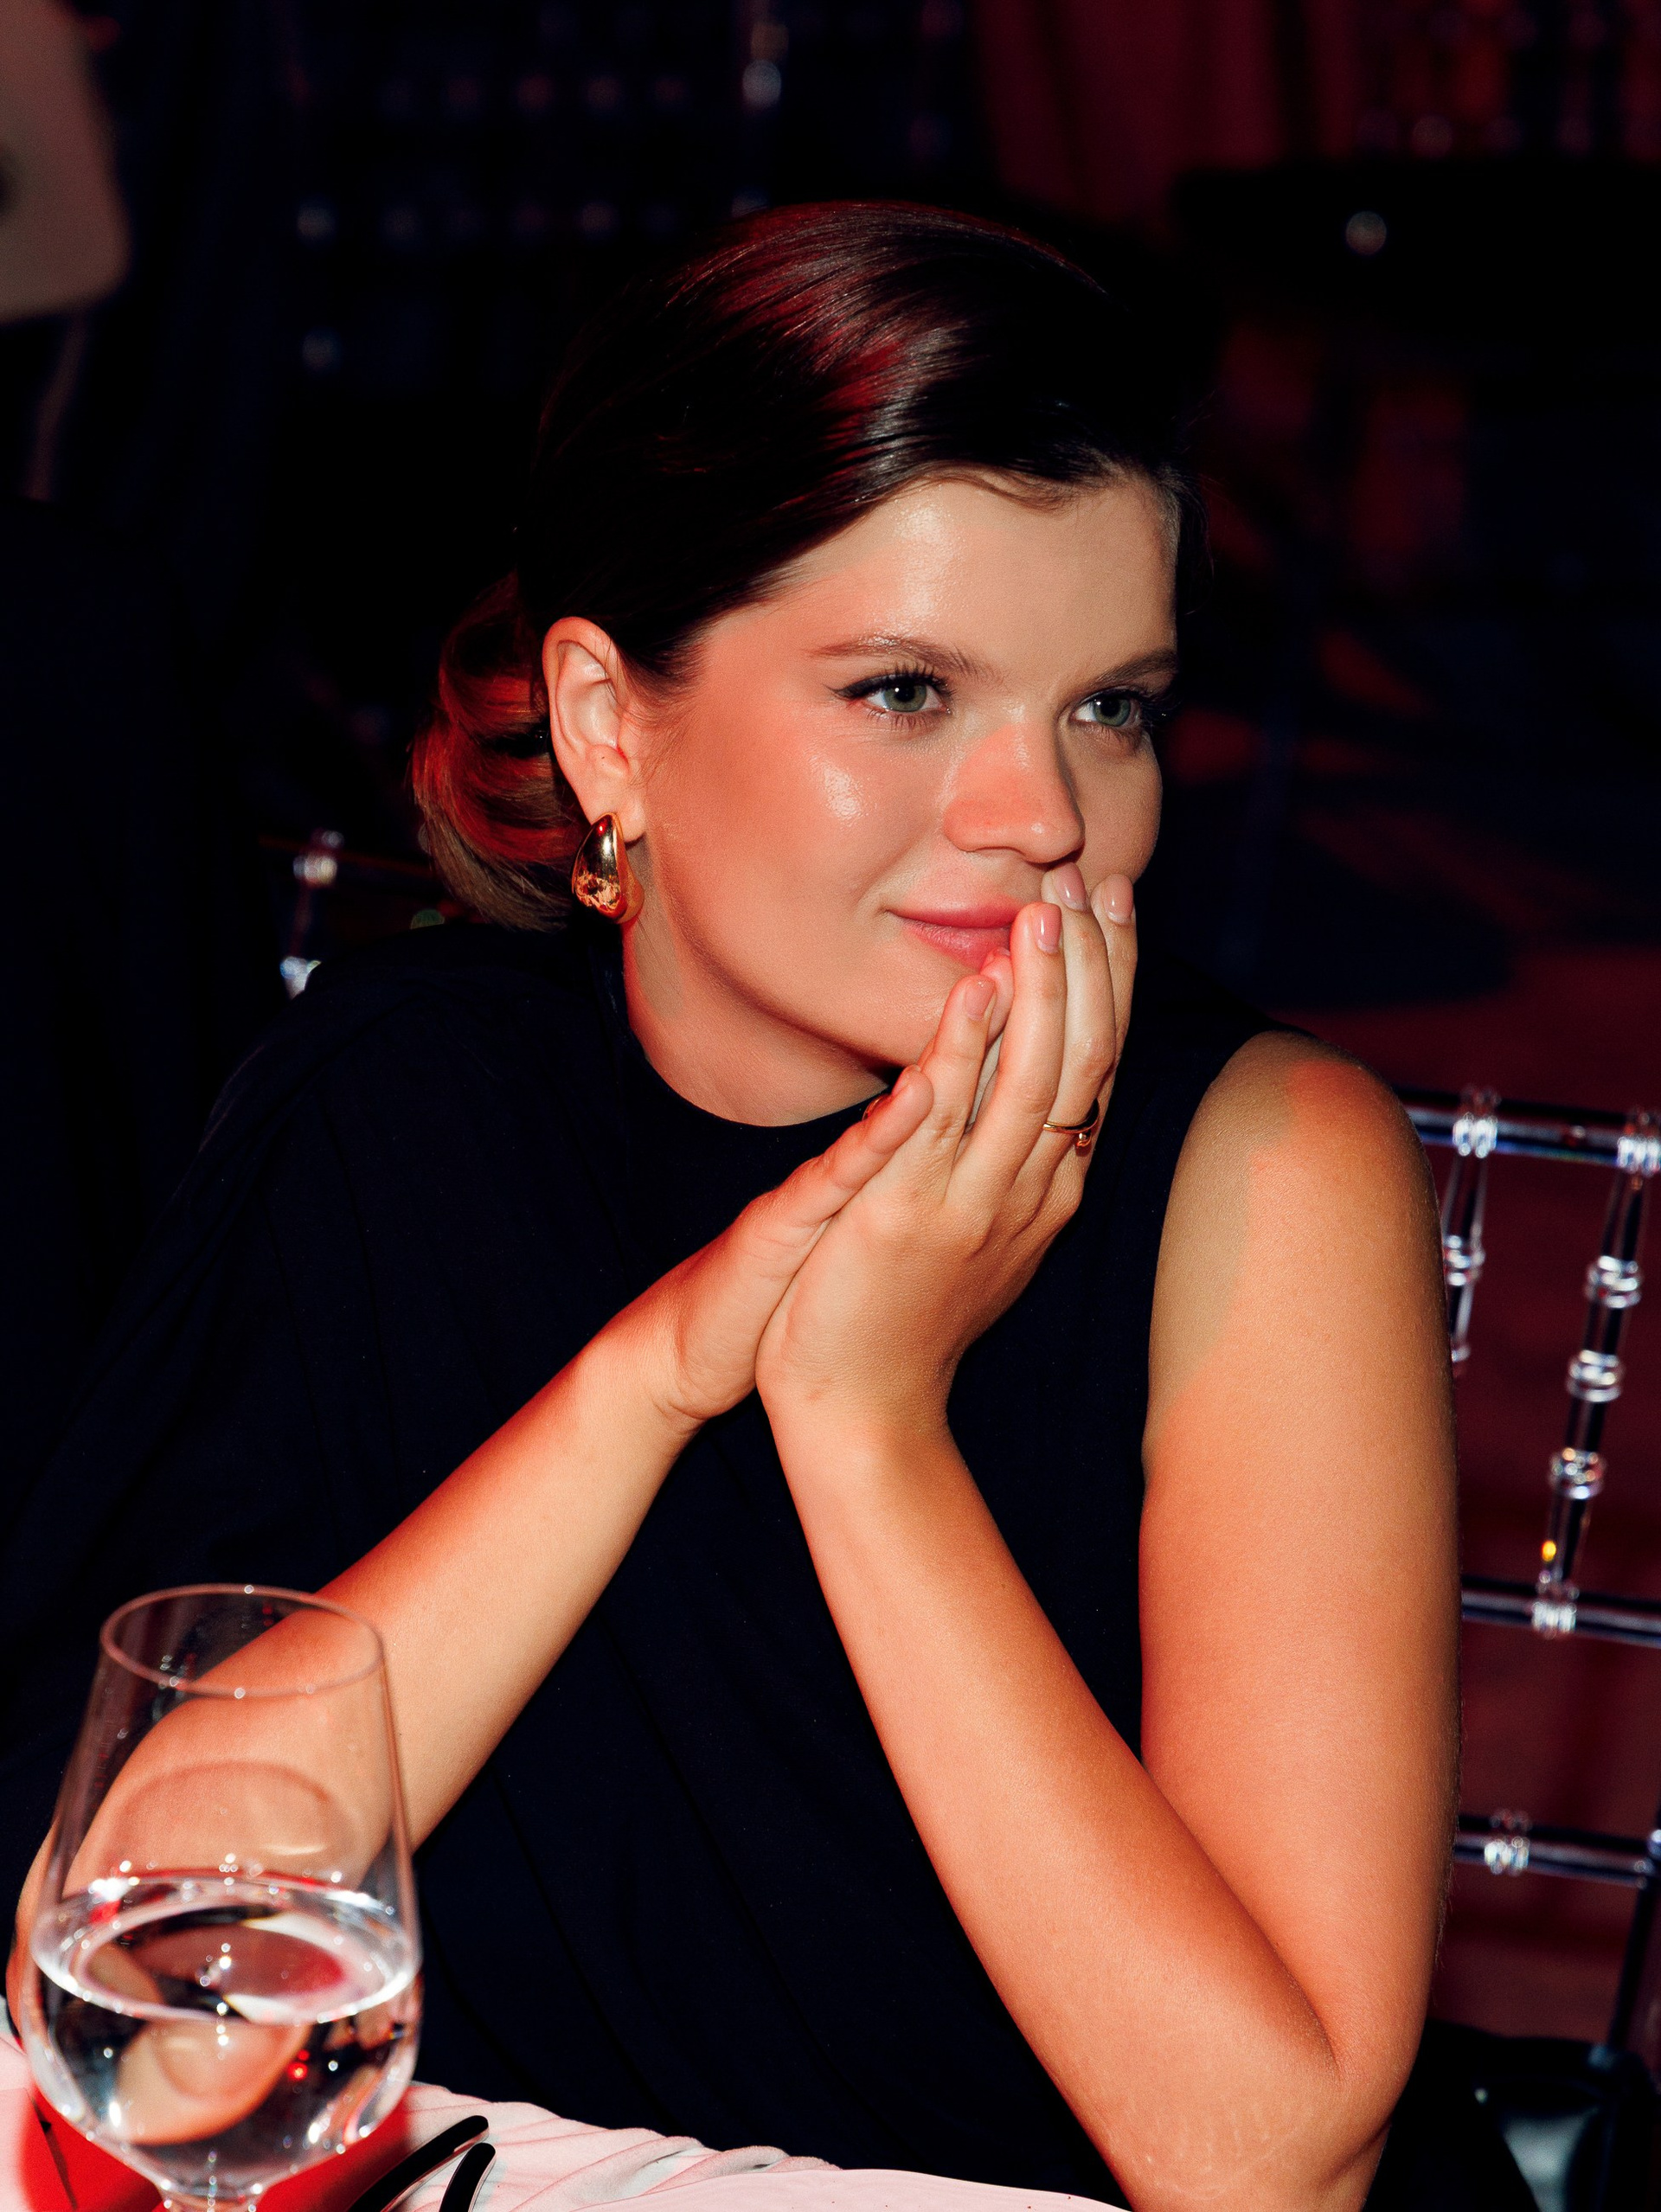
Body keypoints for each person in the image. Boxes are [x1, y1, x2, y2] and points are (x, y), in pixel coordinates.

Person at [4, 204, 1472, 2211]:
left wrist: (866, 1423)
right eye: (906, 691)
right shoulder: (399, 1101)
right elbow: (142, 2003)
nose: (1044, 813)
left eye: (1109, 705)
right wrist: (652, 1378)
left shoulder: (1260, 1170)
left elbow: (1268, 2161)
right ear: (611, 723)